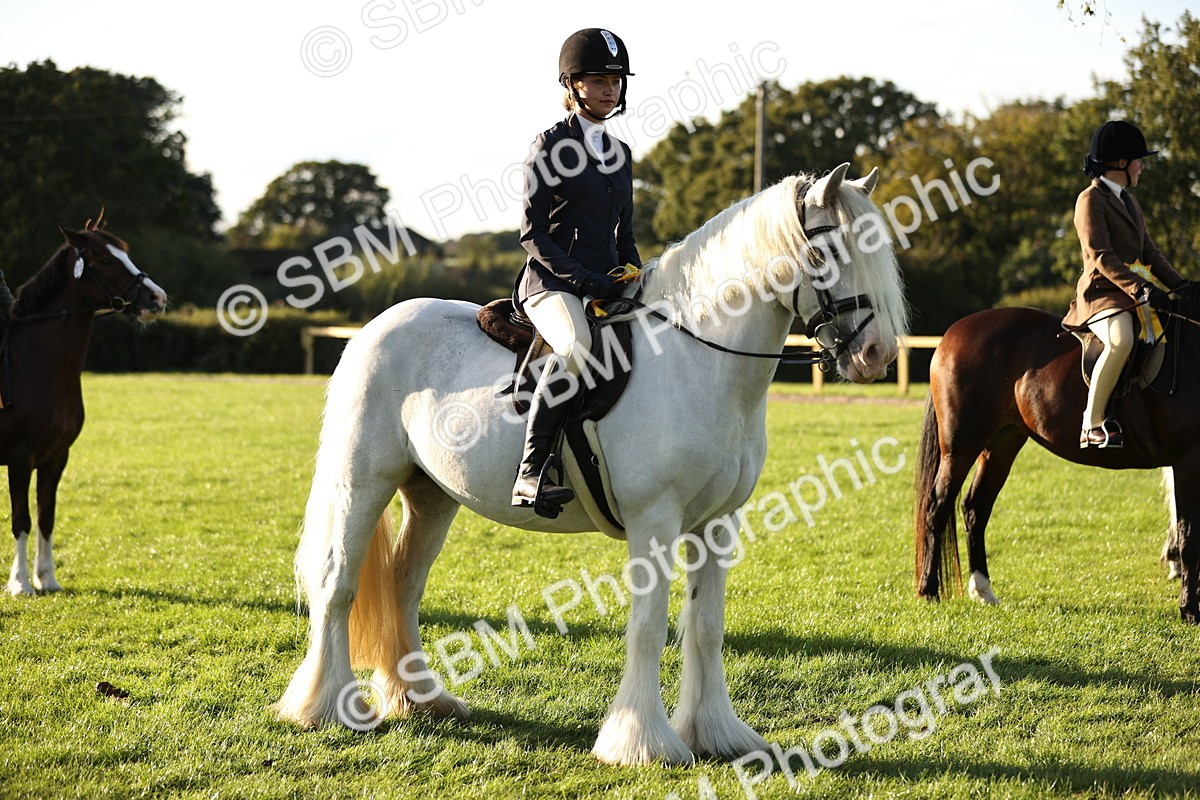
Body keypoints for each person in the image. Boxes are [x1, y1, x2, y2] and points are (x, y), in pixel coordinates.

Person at [511, 27, 641, 515]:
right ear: (572, 84)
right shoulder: (549, 146)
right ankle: (531, 471)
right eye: (599, 79)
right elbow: (532, 235)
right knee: (576, 347)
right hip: (552, 285)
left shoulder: (621, 155)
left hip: (607, 284)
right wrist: (586, 281)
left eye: (616, 80)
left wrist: (637, 272)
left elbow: (624, 236)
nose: (610, 88)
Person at [1063, 120, 1187, 449]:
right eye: (1139, 161)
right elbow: (1101, 256)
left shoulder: (1130, 202)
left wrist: (1181, 286)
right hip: (1102, 295)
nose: (1142, 166)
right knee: (1121, 340)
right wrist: (1141, 288)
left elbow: (1150, 254)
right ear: (1121, 163)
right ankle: (1091, 423)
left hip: (1131, 295)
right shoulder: (1090, 200)